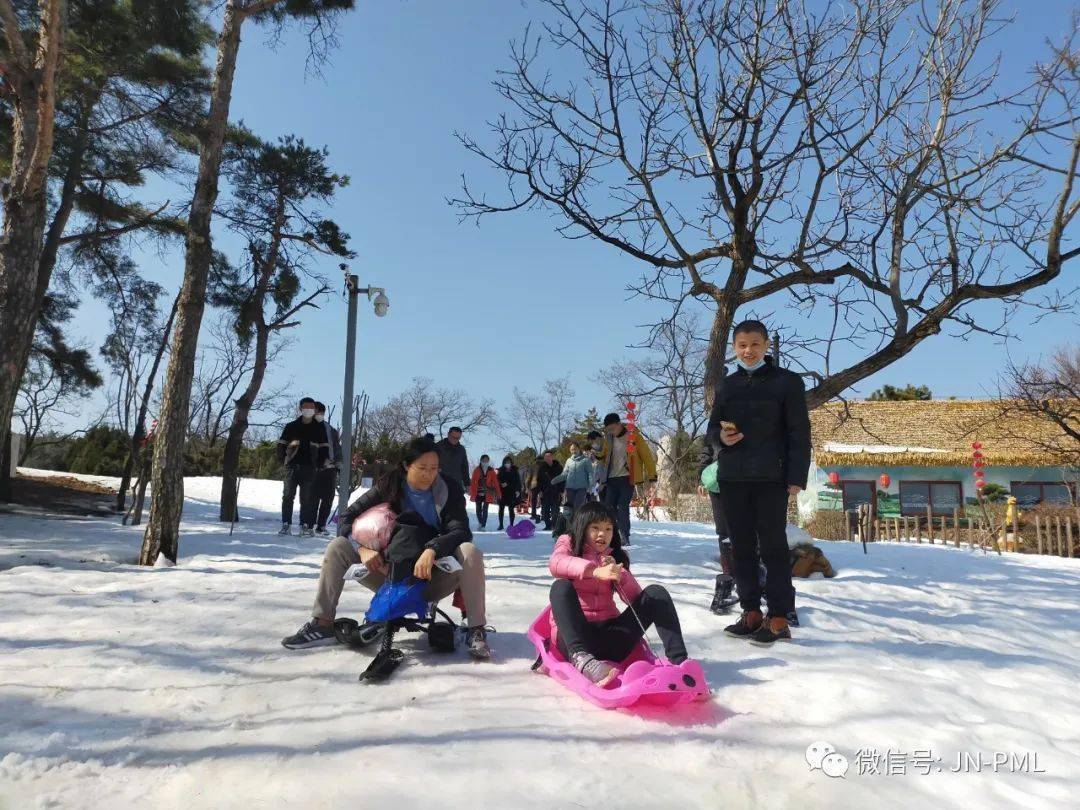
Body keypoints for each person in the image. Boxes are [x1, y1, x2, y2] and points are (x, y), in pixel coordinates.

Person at [281, 436, 492, 659]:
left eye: (434, 468)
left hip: (433, 577)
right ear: (405, 465)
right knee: (338, 546)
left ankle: (475, 629)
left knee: (470, 551)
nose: (429, 474)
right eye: (422, 468)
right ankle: (322, 623)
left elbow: (460, 531)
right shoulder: (389, 485)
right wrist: (362, 549)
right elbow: (346, 518)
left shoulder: (448, 489)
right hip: (387, 575)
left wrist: (432, 549)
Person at [706, 319, 811, 646]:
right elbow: (711, 431)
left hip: (771, 476)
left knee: (773, 547)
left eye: (754, 344)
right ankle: (751, 611)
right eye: (741, 345)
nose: (748, 351)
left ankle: (778, 617)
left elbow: (799, 432)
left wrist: (796, 476)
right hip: (733, 476)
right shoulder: (728, 385)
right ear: (734, 349)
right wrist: (721, 438)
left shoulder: (787, 383)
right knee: (740, 547)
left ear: (766, 346)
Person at [548, 501, 688, 685]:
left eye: (608, 529)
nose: (602, 534)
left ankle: (681, 665)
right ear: (582, 527)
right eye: (595, 527)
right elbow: (556, 562)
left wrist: (621, 575)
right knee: (560, 587)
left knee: (656, 593)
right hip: (576, 639)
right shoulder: (568, 544)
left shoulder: (615, 556)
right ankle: (582, 660)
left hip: (611, 637)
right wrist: (594, 571)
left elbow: (636, 599)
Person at [598, 413, 657, 546]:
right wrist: (597, 454)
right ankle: (611, 535)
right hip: (611, 478)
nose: (611, 432)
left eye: (613, 428)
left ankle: (624, 535)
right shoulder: (609, 438)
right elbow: (604, 455)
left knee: (622, 506)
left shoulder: (633, 436)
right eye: (609, 430)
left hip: (627, 478)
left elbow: (646, 455)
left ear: (619, 424)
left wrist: (652, 474)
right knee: (608, 507)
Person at [276, 396, 323, 536]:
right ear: (300, 408)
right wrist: (282, 460)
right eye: (306, 407)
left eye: (311, 407)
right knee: (288, 496)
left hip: (310, 467)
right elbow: (281, 445)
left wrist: (320, 464)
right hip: (292, 466)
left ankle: (305, 525)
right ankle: (286, 524)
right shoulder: (291, 426)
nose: (309, 410)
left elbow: (324, 448)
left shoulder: (319, 428)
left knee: (307, 498)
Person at [313, 401, 343, 536]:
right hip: (314, 468)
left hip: (330, 469)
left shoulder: (331, 430)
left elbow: (337, 448)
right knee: (312, 497)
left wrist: (339, 463)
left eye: (320, 412)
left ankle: (321, 525)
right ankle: (308, 524)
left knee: (328, 498)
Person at [550, 440, 592, 510]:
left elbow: (590, 474)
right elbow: (564, 474)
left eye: (575, 449)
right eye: (572, 450)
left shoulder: (585, 460)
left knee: (577, 506)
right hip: (570, 488)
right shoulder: (569, 461)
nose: (573, 451)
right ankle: (572, 520)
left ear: (579, 449)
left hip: (581, 488)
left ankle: (576, 520)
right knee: (570, 507)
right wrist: (554, 480)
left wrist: (591, 486)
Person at [469, 454, 502, 529]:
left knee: (485, 509)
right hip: (478, 492)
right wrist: (471, 491)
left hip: (487, 492)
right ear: (481, 461)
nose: (485, 462)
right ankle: (480, 522)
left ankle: (483, 525)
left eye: (487, 460)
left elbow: (495, 482)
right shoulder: (476, 470)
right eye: (484, 460)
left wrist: (498, 492)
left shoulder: (491, 470)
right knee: (478, 509)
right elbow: (473, 481)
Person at [535, 450, 564, 530]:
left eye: (549, 456)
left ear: (552, 457)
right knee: (545, 510)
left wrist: (562, 491)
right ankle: (548, 525)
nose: (547, 458)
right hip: (545, 492)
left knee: (555, 511)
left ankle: (554, 525)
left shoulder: (558, 467)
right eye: (546, 457)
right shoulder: (541, 468)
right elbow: (538, 480)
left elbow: (562, 479)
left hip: (556, 492)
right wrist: (539, 491)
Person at [435, 427, 470, 491]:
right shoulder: (438, 446)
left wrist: (467, 483)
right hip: (440, 484)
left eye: (458, 438)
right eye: (453, 437)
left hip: (456, 484)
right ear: (448, 434)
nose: (455, 440)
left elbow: (464, 467)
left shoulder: (461, 450)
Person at [496, 455, 522, 530]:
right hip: (502, 492)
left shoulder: (515, 471)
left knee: (511, 509)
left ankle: (511, 524)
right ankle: (501, 524)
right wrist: (501, 483)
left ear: (511, 463)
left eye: (509, 462)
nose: (507, 464)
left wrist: (517, 490)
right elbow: (497, 480)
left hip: (511, 492)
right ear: (503, 463)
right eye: (506, 462)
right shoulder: (500, 471)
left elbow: (518, 482)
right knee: (501, 508)